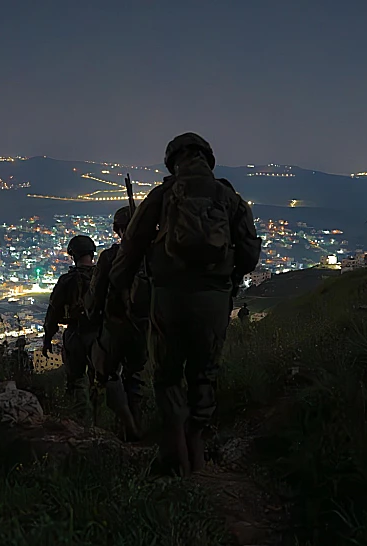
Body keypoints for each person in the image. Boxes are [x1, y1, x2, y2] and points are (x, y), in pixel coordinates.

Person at [110, 132, 261, 476]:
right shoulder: (228, 196)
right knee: (204, 374)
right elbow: (251, 255)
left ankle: (176, 452)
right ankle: (197, 449)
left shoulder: (163, 195)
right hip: (214, 300)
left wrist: (120, 289)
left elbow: (131, 247)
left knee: (167, 377)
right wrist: (225, 278)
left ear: (172, 161)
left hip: (169, 299)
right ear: (207, 159)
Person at [87, 205, 149, 441]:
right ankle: (138, 424)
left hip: (114, 326)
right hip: (144, 327)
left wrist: (94, 321)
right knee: (135, 376)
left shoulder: (110, 257)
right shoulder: (153, 256)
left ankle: (125, 423)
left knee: (109, 375)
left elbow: (95, 297)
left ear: (118, 230)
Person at [43, 235, 97, 422]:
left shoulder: (67, 280)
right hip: (103, 333)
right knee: (106, 379)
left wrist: (47, 339)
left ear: (73, 255)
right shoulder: (104, 276)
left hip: (77, 333)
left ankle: (83, 423)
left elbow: (54, 312)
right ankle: (107, 421)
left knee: (76, 381)